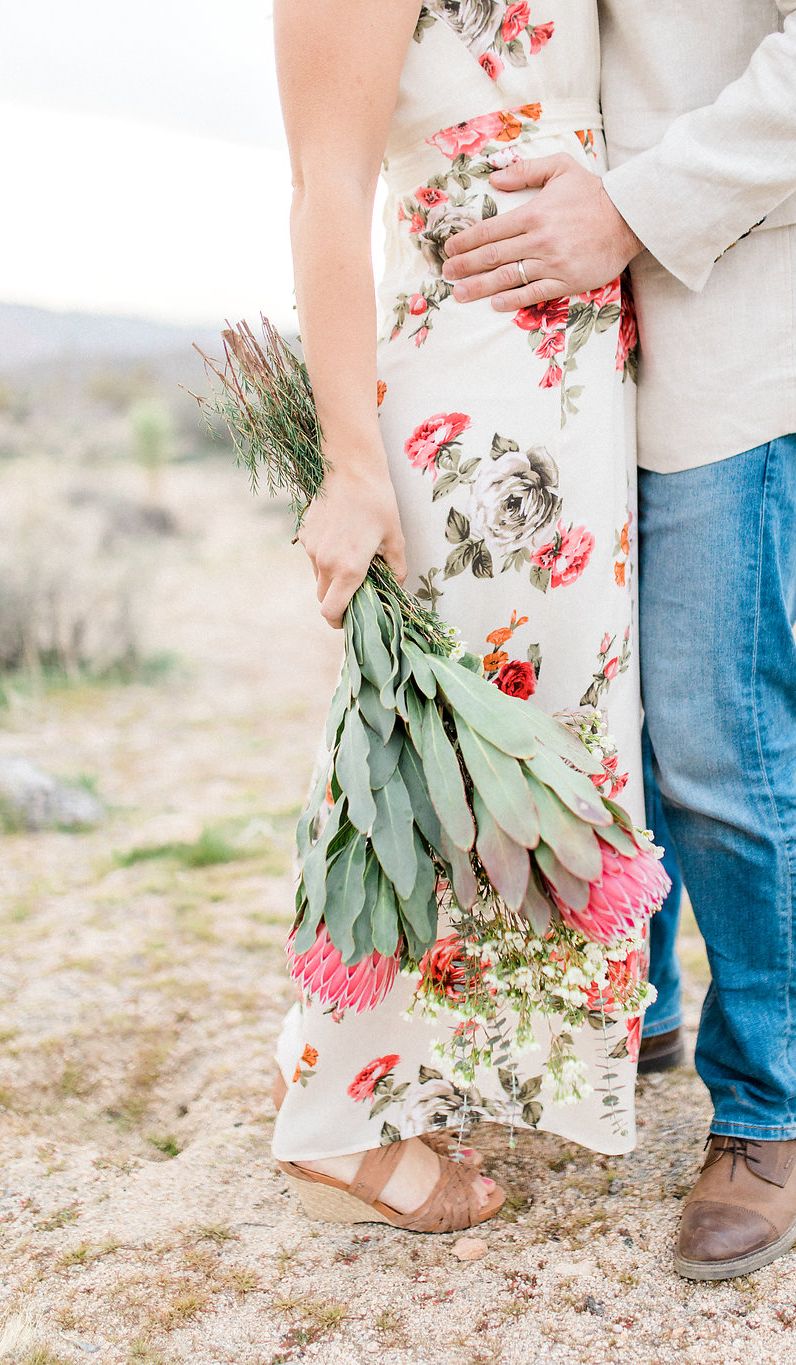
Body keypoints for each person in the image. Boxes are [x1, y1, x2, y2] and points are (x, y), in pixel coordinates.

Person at [440, 0, 796, 1277]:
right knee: (603, 709)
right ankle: (638, 1005)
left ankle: (768, 1111)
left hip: (739, 303)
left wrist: (632, 208)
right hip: (556, 345)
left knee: (715, 733)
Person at [268, 0, 651, 1235]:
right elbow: (325, 183)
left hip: (576, 406)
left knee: (535, 749)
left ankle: (433, 1079)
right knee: (427, 747)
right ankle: (337, 1126)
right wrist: (350, 463)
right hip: (470, 411)